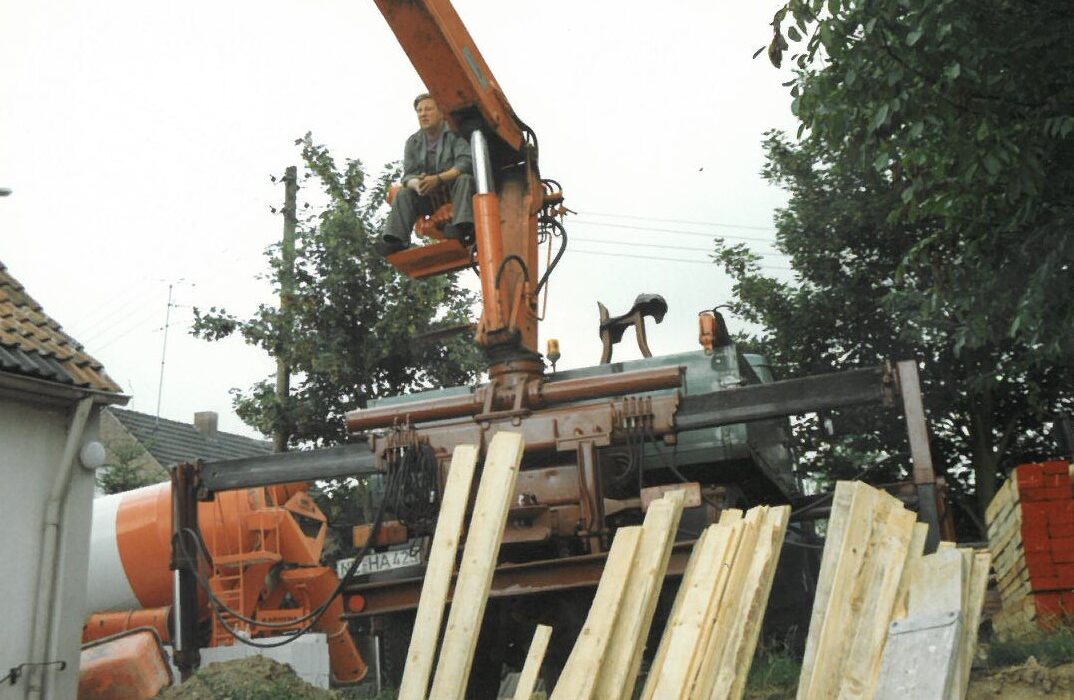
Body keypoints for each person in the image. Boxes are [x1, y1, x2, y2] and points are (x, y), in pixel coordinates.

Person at [377, 93, 476, 255]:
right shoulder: (413, 142)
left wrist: (438, 179)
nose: (423, 113)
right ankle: (397, 240)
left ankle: (463, 228)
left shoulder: (455, 134)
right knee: (403, 193)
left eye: (428, 109)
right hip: (430, 197)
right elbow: (408, 176)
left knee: (465, 179)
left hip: (455, 193)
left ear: (441, 112)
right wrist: (417, 184)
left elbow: (465, 163)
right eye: (419, 110)